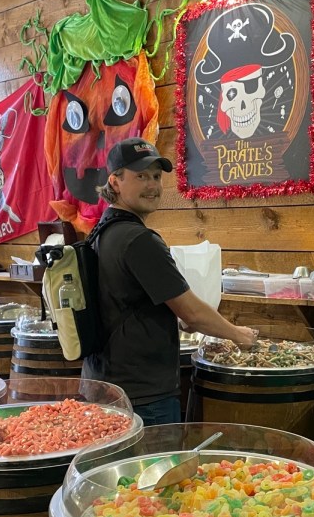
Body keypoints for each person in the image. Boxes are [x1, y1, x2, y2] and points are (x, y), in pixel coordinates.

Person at [83, 137, 257, 425]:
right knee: (157, 457)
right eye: (141, 176)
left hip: (102, 385)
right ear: (115, 182)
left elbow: (125, 299)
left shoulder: (101, 232)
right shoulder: (139, 240)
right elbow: (192, 313)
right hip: (142, 396)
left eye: (156, 176)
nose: (152, 185)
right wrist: (240, 335)